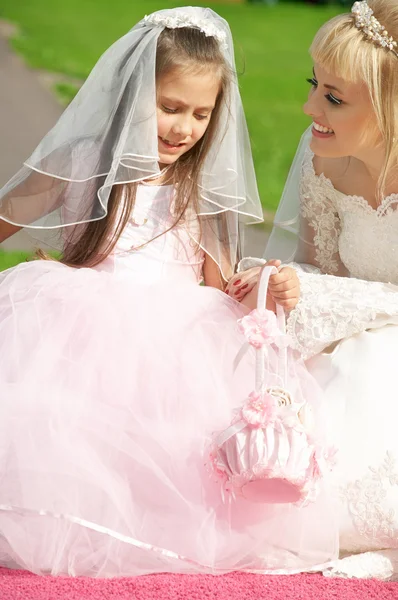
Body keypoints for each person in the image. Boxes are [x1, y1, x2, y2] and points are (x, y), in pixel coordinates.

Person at [0, 7, 333, 578]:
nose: (184, 128)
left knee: (165, 439)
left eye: (201, 115)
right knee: (69, 427)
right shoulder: (79, 162)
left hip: (176, 337)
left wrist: (254, 286)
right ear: (132, 93)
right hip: (80, 324)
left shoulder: (196, 185)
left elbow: (217, 284)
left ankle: (148, 524)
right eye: (170, 107)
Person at [228, 0, 398, 580]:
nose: (309, 109)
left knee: (374, 363)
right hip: (362, 334)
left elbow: (346, 296)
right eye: (314, 85)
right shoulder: (327, 163)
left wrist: (332, 300)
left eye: (334, 97)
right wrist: (284, 286)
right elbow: (323, 270)